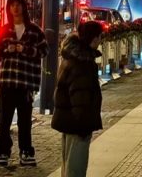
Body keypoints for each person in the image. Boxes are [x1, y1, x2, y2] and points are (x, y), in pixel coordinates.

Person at [0, 0, 48, 166]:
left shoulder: (34, 30)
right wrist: (7, 49)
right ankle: (3, 151)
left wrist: (24, 49)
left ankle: (26, 151)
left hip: (26, 82)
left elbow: (44, 51)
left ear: (24, 7)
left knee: (25, 120)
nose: (15, 8)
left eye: (18, 4)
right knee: (4, 119)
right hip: (8, 81)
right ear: (9, 9)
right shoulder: (4, 29)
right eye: (12, 5)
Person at [52, 20, 103, 177]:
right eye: (100, 37)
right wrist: (83, 124)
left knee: (68, 164)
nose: (101, 40)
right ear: (94, 39)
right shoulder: (83, 64)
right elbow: (80, 97)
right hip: (78, 123)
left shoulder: (71, 57)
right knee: (76, 167)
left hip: (67, 119)